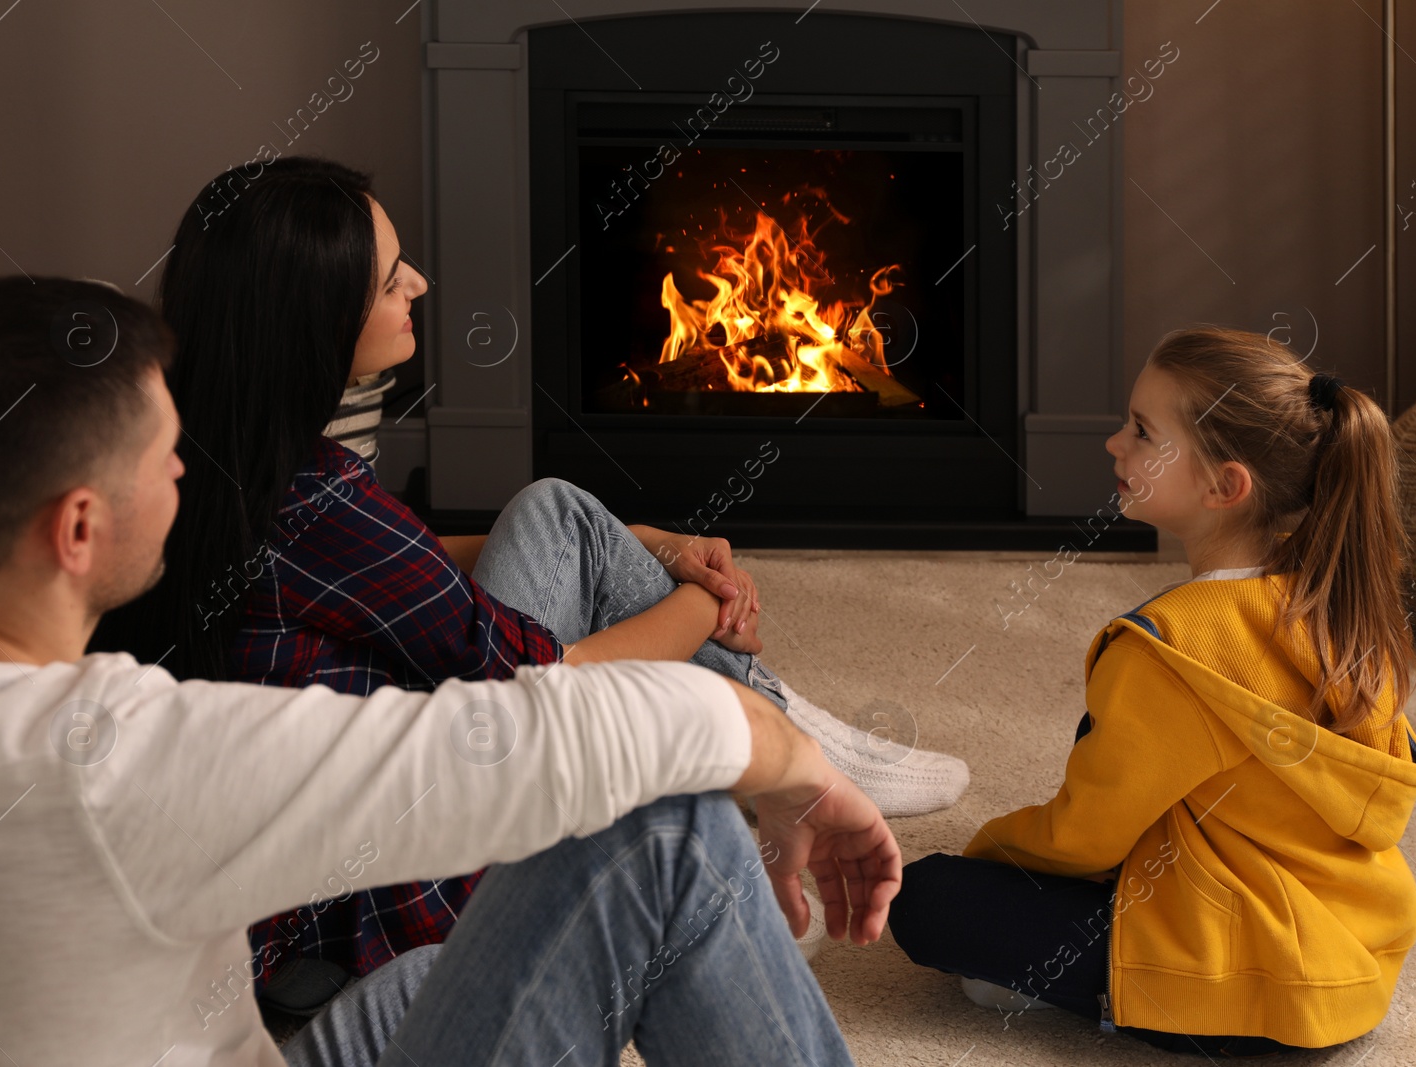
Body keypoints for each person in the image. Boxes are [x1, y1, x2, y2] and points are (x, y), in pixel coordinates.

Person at [0, 277, 899, 1066]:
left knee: (439, 971)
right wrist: (800, 766)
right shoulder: (115, 762)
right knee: (665, 830)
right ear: (76, 527)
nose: (186, 471)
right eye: (162, 457)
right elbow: (584, 728)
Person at [86, 157, 966, 1006]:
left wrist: (647, 543)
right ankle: (785, 734)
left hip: (311, 848)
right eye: (391, 278)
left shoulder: (203, 446)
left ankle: (785, 734)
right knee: (568, 555)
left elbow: (404, 552)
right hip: (396, 896)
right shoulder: (311, 501)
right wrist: (702, 601)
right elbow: (556, 686)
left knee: (558, 513)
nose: (421, 284)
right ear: (316, 314)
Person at [888, 327, 1416, 1056]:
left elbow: (1085, 835)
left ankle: (1106, 994)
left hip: (1245, 986)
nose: (1115, 444)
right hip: (1350, 962)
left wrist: (988, 850)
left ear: (1224, 485)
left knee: (923, 898)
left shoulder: (1172, 647)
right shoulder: (1339, 605)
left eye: (1143, 433)